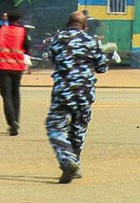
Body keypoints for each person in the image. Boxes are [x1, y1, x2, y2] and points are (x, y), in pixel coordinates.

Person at [46, 11, 108, 184]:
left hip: (63, 90)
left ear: (68, 23)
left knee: (55, 126)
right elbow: (102, 67)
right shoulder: (91, 40)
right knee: (78, 129)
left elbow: (52, 59)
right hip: (85, 91)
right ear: (85, 26)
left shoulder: (56, 39)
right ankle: (76, 164)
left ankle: (67, 161)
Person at [0, 11, 30, 136]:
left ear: (7, 19)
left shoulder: (1, 30)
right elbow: (27, 47)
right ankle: (16, 120)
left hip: (2, 66)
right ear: (19, 19)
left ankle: (11, 123)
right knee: (16, 94)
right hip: (17, 67)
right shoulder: (23, 31)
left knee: (6, 95)